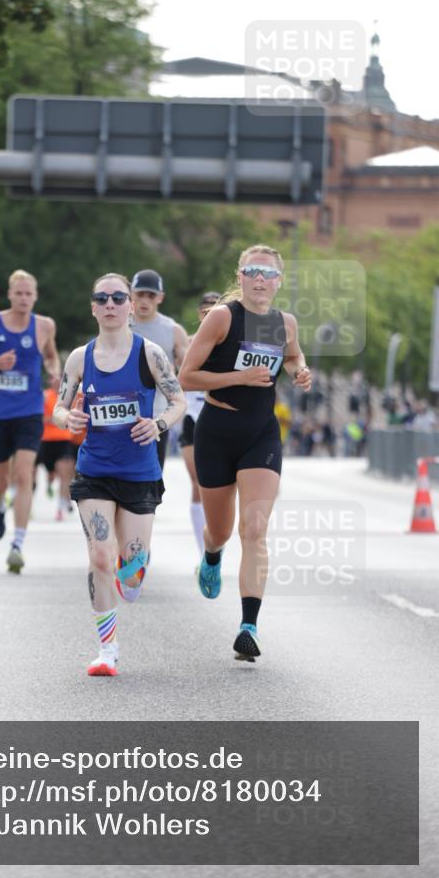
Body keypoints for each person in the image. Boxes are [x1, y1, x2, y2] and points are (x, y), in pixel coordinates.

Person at [179, 244, 311, 663]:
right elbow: (186, 377)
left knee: (254, 531)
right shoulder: (222, 317)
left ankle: (248, 627)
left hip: (261, 435)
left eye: (267, 273)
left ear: (278, 281)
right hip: (216, 431)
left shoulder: (284, 323)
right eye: (252, 271)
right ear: (240, 276)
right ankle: (212, 556)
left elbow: (291, 356)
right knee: (220, 531)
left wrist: (299, 370)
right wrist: (238, 376)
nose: (259, 279)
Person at [53, 273, 187, 677]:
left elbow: (178, 400)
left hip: (139, 472)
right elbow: (58, 408)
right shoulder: (79, 357)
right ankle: (106, 650)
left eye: (118, 297)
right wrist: (69, 417)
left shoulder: (149, 354)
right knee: (99, 555)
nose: (110, 304)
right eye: (102, 298)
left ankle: (137, 566)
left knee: (130, 563)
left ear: (130, 307)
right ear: (93, 307)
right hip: (94, 469)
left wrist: (159, 424)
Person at [0, 270, 60, 573]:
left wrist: (54, 370)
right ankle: (0, 506)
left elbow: (52, 356)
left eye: (29, 294)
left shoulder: (44, 326)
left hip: (29, 410)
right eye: (18, 293)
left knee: (24, 474)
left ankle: (17, 543)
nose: (24, 298)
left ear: (35, 296)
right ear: (9, 295)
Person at [130, 269, 189, 471]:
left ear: (160, 298)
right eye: (140, 294)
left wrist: (171, 372)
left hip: (156, 416)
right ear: (131, 294)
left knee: (152, 481)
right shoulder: (117, 324)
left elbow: (189, 370)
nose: (145, 300)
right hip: (120, 414)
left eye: (151, 295)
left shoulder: (172, 331)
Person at [178, 291, 221, 558]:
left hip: (221, 420)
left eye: (215, 311)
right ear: (199, 315)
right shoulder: (189, 346)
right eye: (205, 312)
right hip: (192, 420)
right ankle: (200, 550)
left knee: (221, 486)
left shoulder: (234, 347)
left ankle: (216, 538)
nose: (209, 316)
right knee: (198, 482)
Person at [36, 386, 76, 521]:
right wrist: (56, 419)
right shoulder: (45, 395)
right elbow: (39, 417)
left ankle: (60, 508)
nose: (56, 380)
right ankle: (49, 482)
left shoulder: (71, 395)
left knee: (64, 473)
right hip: (47, 441)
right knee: (52, 474)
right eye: (53, 378)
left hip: (64, 440)